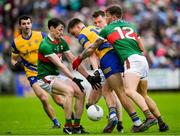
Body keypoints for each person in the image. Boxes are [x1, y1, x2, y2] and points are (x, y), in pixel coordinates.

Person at [72, 5, 163, 132]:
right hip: (139, 58)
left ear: (113, 16)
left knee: (124, 91)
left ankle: (141, 119)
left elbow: (91, 50)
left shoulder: (104, 30)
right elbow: (142, 47)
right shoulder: (131, 26)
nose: (102, 21)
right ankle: (161, 122)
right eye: (97, 22)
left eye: (106, 17)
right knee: (134, 93)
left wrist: (80, 59)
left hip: (118, 59)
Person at [37, 17, 101, 134]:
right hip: (45, 78)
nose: (61, 33)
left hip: (56, 76)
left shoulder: (62, 42)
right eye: (59, 30)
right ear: (51, 28)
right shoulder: (45, 45)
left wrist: (88, 77)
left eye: (62, 30)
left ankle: (76, 126)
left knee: (82, 92)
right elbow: (60, 65)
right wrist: (74, 78)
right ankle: (67, 126)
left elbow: (73, 60)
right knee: (69, 91)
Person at [11, 15, 63, 128]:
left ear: (31, 24)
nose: (26, 26)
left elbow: (53, 46)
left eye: (28, 23)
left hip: (47, 71)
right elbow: (13, 58)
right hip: (32, 74)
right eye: (24, 24)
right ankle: (56, 123)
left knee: (58, 100)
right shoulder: (16, 42)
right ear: (20, 26)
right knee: (44, 98)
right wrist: (14, 64)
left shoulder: (40, 35)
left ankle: (71, 115)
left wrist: (58, 56)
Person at [92, 10, 124, 133]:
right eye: (95, 23)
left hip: (114, 66)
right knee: (114, 93)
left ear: (106, 19)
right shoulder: (98, 35)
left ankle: (114, 117)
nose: (98, 24)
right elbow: (94, 54)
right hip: (106, 66)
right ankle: (119, 123)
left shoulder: (111, 31)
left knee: (112, 92)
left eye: (100, 21)